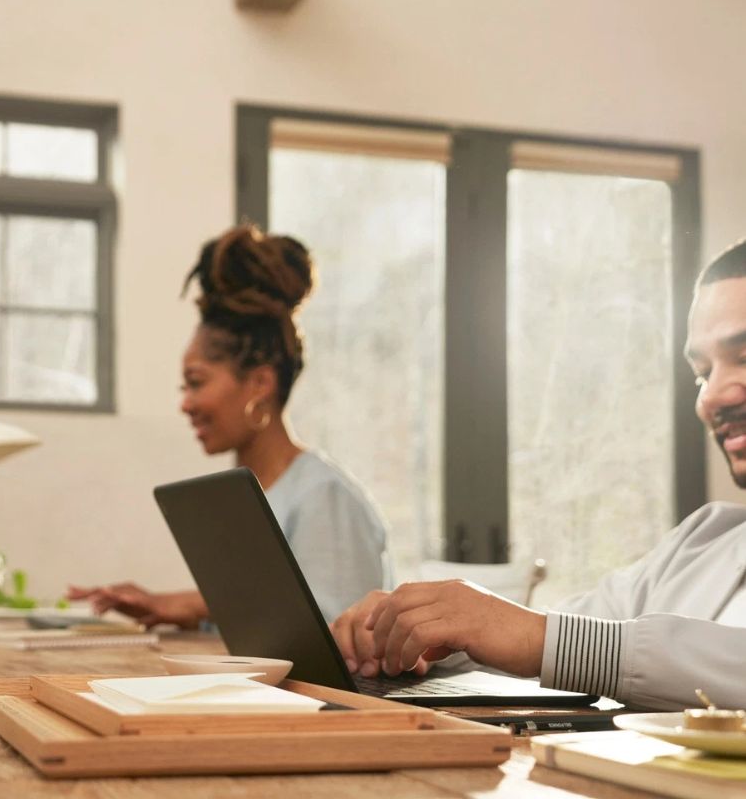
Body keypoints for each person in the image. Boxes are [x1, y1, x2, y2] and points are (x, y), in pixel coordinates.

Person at [331, 240, 746, 710]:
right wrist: (427, 637)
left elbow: (548, 642)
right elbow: (567, 635)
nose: (711, 396)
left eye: (744, 357)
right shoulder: (704, 543)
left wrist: (539, 639)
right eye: (701, 373)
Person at [69, 224, 391, 628]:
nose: (185, 404)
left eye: (196, 382)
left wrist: (194, 603)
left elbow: (343, 641)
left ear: (259, 384)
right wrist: (173, 610)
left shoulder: (324, 497)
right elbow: (252, 635)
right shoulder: (242, 497)